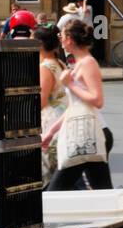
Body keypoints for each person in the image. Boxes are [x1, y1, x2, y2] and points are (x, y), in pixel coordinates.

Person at [42, 19, 112, 190]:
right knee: (103, 192)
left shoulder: (88, 63)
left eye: (62, 36)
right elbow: (75, 106)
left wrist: (70, 84)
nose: (60, 40)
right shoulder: (78, 64)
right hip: (87, 133)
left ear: (70, 40)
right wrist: (51, 132)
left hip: (89, 134)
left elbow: (97, 100)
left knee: (55, 191)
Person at [33, 23, 68, 179]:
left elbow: (41, 101)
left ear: (39, 44)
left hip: (50, 124)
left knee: (47, 176)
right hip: (61, 120)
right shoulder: (59, 63)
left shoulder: (45, 67)